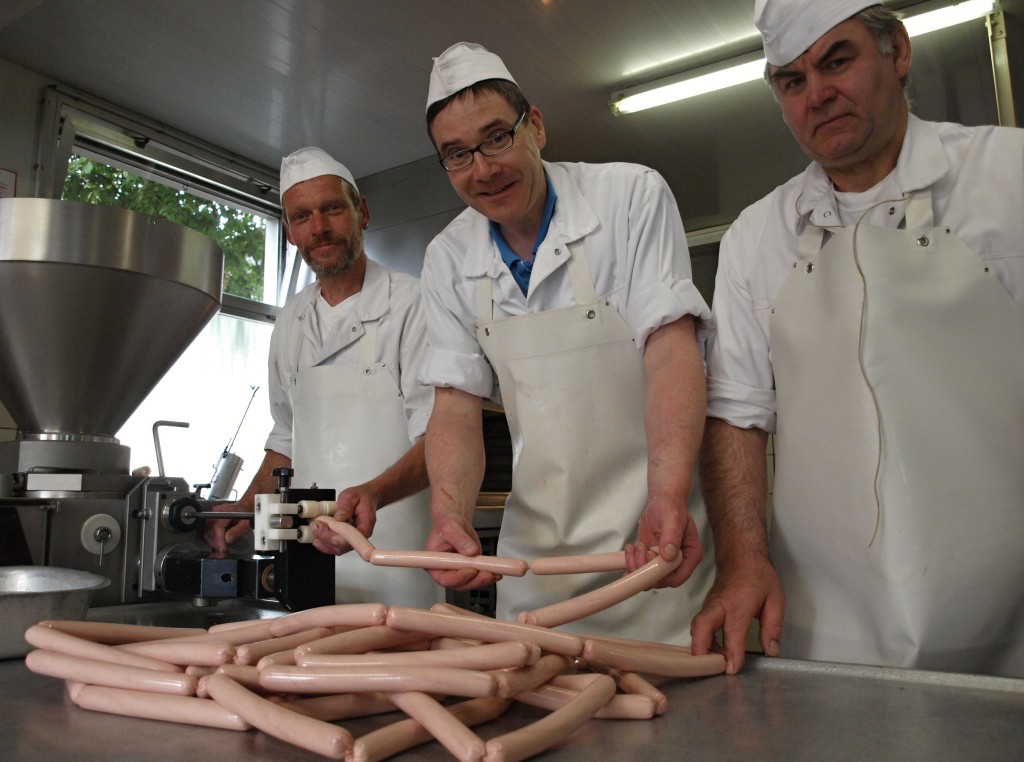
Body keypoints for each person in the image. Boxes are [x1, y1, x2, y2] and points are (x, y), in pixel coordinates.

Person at [691, 0, 1024, 677]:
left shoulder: (1007, 176)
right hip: (832, 619)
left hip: (1012, 611)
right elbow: (737, 415)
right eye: (792, 80)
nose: (818, 94)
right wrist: (744, 558)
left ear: (897, 52)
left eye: (837, 61)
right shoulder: (759, 236)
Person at [417, 42, 714, 644]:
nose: (483, 168)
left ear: (537, 127)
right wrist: (450, 515)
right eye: (457, 155)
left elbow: (671, 351)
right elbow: (454, 407)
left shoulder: (630, 197)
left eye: (497, 137)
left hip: (649, 552)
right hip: (536, 571)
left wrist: (667, 497)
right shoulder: (448, 258)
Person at [204, 147, 441, 609]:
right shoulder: (290, 320)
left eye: (333, 208)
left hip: (396, 559)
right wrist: (244, 507)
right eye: (302, 216)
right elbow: (286, 439)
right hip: (307, 558)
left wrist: (372, 494)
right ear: (291, 232)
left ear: (362, 212)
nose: (320, 228)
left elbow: (440, 437)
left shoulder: (413, 305)